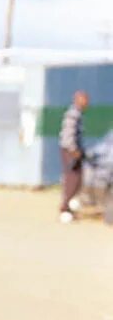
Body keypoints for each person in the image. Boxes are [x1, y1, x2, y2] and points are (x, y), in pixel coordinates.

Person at [58, 90, 89, 223]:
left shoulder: (78, 114)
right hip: (71, 152)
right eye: (84, 99)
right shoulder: (73, 114)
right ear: (78, 100)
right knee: (72, 180)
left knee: (78, 180)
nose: (87, 102)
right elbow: (68, 134)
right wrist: (73, 150)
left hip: (75, 151)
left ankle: (69, 207)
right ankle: (65, 209)